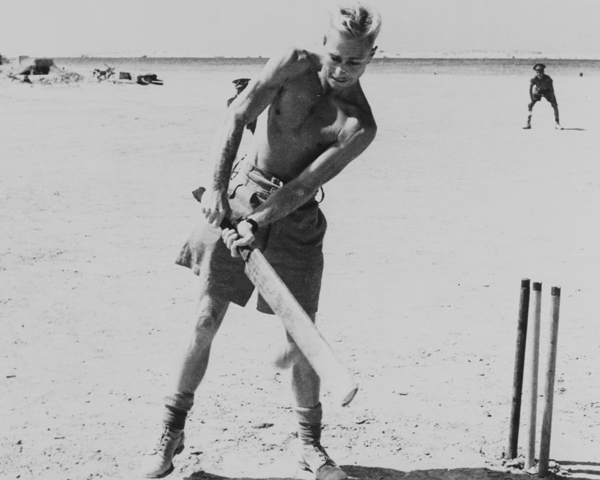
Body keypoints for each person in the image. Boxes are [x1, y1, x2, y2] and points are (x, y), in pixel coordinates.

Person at [139, 3, 381, 479]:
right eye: (335, 57)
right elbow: (236, 116)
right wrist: (215, 190)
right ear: (323, 45)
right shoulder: (292, 62)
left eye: (355, 62)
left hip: (297, 221)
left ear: (373, 55)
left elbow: (303, 186)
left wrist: (261, 220)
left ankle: (311, 447)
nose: (340, 70)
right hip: (237, 195)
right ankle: (171, 429)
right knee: (206, 316)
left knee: (301, 333)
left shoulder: (359, 124)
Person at [524, 63, 562, 130]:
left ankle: (557, 123)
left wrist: (552, 97)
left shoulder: (548, 78)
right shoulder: (534, 79)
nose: (539, 74)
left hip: (547, 92)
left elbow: (552, 89)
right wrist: (531, 98)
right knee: (530, 105)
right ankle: (528, 123)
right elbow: (530, 89)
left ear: (543, 72)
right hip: (538, 91)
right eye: (537, 72)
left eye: (541, 72)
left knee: (555, 105)